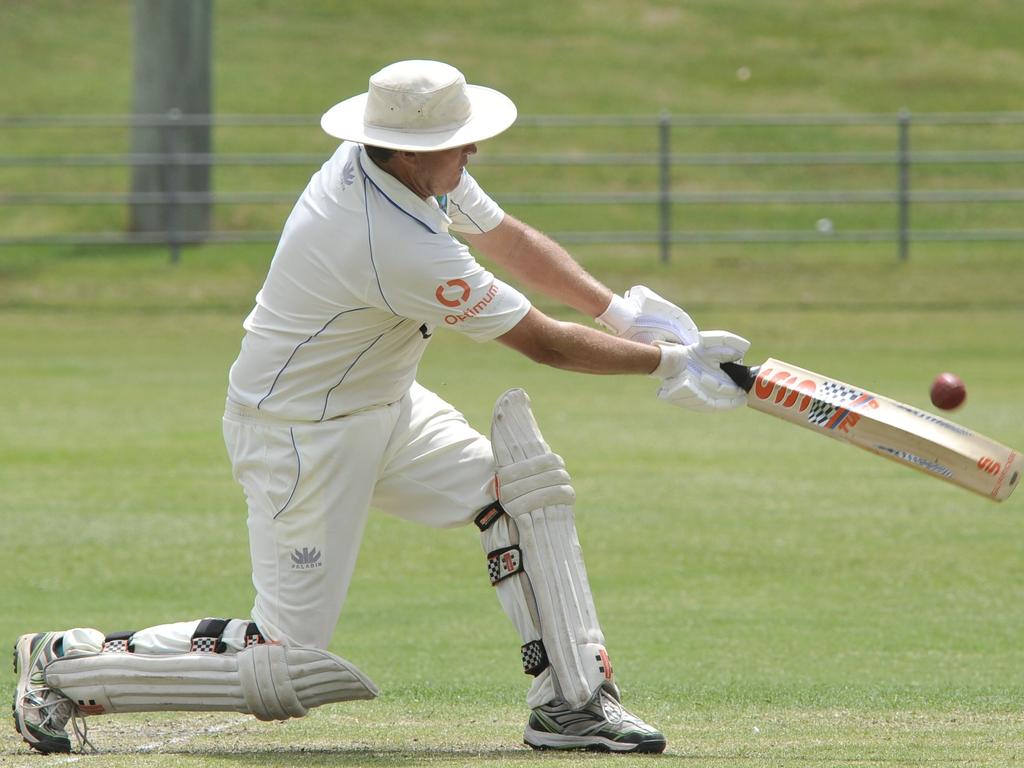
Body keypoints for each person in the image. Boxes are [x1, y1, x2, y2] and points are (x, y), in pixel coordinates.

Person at [12, 60, 750, 755]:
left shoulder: (413, 173)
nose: (474, 150)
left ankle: (573, 703)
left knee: (521, 492)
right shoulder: (385, 238)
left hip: (386, 407)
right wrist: (672, 362)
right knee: (287, 661)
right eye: (458, 142)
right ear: (407, 151)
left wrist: (625, 316)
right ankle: (66, 664)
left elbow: (508, 238)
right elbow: (545, 344)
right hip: (301, 435)